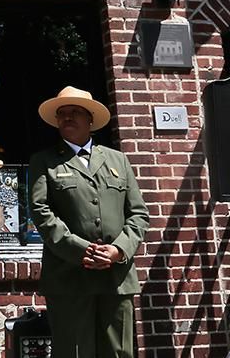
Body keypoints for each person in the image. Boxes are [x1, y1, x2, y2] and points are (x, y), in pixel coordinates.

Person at [28, 86, 149, 358]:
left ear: (90, 120)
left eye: (76, 112)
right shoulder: (44, 162)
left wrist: (118, 250)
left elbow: (139, 214)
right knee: (74, 352)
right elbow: (41, 214)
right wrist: (83, 250)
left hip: (115, 278)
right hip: (69, 277)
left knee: (119, 352)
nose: (68, 117)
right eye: (63, 113)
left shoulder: (118, 159)